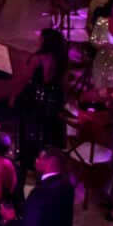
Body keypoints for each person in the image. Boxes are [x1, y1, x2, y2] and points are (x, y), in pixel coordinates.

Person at [13, 28, 70, 178]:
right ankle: (48, 166)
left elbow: (24, 79)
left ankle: (28, 163)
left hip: (34, 101)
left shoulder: (37, 59)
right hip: (52, 102)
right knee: (48, 133)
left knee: (29, 131)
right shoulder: (62, 61)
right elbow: (64, 86)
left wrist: (14, 96)